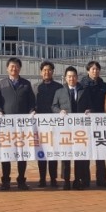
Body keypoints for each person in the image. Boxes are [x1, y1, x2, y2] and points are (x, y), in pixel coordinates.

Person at [0, 57, 35, 190]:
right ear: (7, 68)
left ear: (20, 68)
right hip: (6, 125)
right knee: (6, 153)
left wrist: (32, 111)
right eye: (11, 66)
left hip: (23, 125)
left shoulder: (26, 84)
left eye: (16, 66)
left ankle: (21, 180)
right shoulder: (1, 84)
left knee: (22, 153)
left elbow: (31, 103)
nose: (14, 68)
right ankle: (5, 180)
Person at [52, 66, 92, 190]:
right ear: (65, 78)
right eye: (69, 76)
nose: (71, 78)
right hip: (65, 129)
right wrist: (59, 111)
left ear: (77, 77)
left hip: (80, 129)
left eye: (73, 76)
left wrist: (89, 110)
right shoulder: (59, 91)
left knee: (79, 156)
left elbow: (90, 105)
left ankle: (77, 179)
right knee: (66, 155)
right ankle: (66, 180)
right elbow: (53, 106)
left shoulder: (84, 90)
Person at [79, 60, 106, 188]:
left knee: (100, 152)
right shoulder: (81, 85)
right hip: (86, 122)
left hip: (100, 122)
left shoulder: (105, 86)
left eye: (97, 69)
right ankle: (85, 180)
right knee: (85, 153)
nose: (95, 71)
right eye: (92, 69)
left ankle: (102, 180)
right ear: (88, 71)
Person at [33, 60, 62, 188]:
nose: (47, 72)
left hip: (54, 124)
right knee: (42, 152)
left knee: (53, 153)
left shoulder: (59, 87)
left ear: (53, 72)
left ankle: (53, 179)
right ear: (41, 72)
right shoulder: (35, 87)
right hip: (40, 125)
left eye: (49, 70)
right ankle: (42, 179)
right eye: (44, 70)